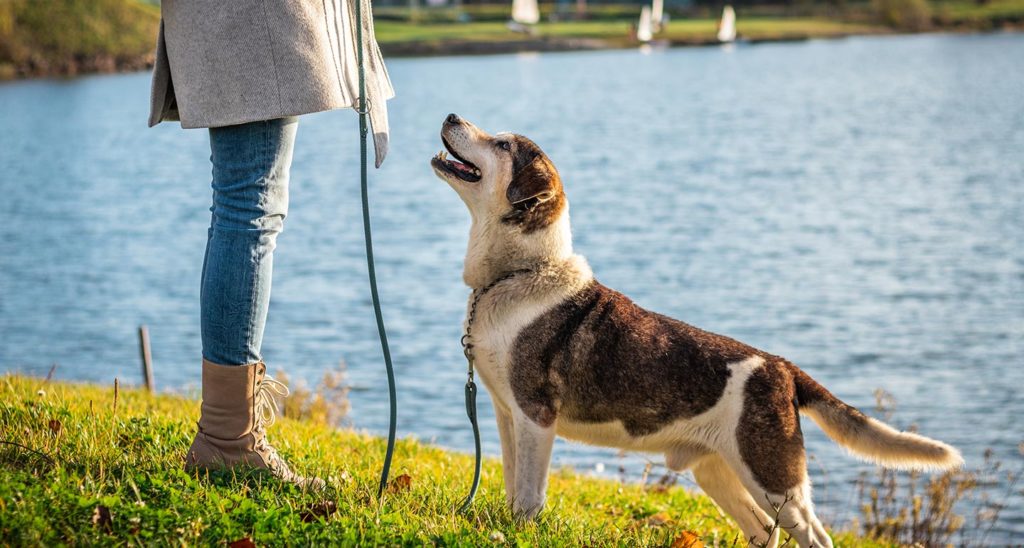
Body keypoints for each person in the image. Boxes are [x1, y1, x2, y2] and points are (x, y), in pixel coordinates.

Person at [148, 0, 394, 488]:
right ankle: (227, 440)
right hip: (249, 16)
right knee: (250, 206)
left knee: (241, 206)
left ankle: (225, 432)